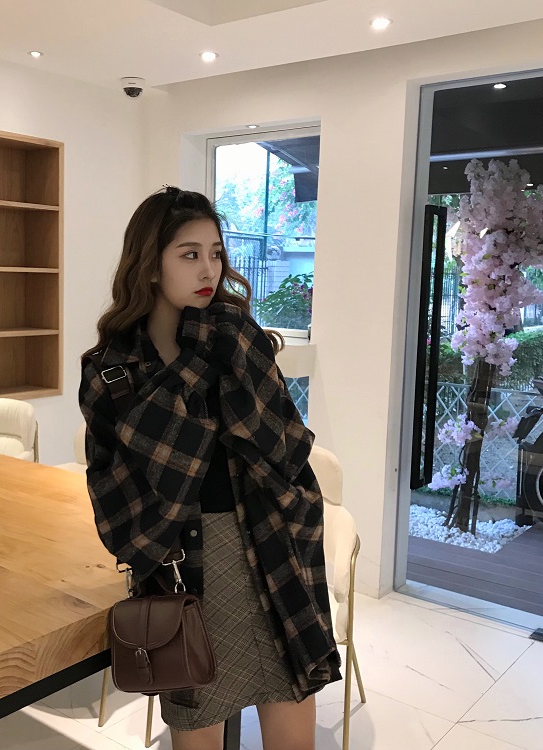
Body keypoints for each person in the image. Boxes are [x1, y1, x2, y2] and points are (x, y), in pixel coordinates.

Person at [78, 186, 341, 750]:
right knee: (197, 727)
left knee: (292, 720)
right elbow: (114, 491)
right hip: (184, 567)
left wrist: (300, 511)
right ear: (151, 265)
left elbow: (288, 447)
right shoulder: (114, 371)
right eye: (189, 253)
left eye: (216, 253)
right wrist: (198, 362)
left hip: (271, 549)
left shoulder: (239, 341)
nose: (209, 269)